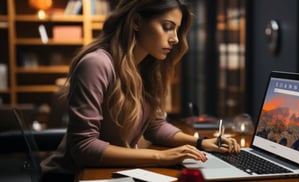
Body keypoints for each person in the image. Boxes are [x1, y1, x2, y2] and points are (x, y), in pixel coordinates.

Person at [40, 0, 240, 181]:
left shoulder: (147, 69)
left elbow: (155, 126)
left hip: (109, 172)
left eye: (177, 30)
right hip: (69, 176)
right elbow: (83, 148)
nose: (176, 39)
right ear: (136, 21)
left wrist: (201, 143)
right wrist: (161, 157)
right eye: (167, 28)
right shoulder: (96, 64)